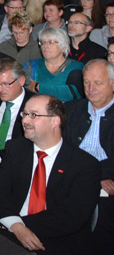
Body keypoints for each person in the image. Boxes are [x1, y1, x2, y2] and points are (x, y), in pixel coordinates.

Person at [0, 94, 101, 255]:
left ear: (55, 121)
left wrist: (17, 225)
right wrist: (15, 226)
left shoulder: (84, 165)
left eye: (33, 115)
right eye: (24, 114)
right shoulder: (16, 149)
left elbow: (71, 216)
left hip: (61, 239)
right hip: (13, 232)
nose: (25, 120)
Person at [64, 59, 114, 251]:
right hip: (72, 179)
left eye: (98, 83)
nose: (91, 88)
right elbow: (63, 150)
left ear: (113, 84)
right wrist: (96, 177)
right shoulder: (71, 110)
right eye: (86, 82)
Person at [25, 27, 85, 101]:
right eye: (42, 43)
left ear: (63, 47)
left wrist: (38, 87)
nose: (45, 46)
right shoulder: (32, 64)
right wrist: (59, 89)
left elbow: (73, 93)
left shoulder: (76, 66)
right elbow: (25, 92)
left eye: (51, 42)